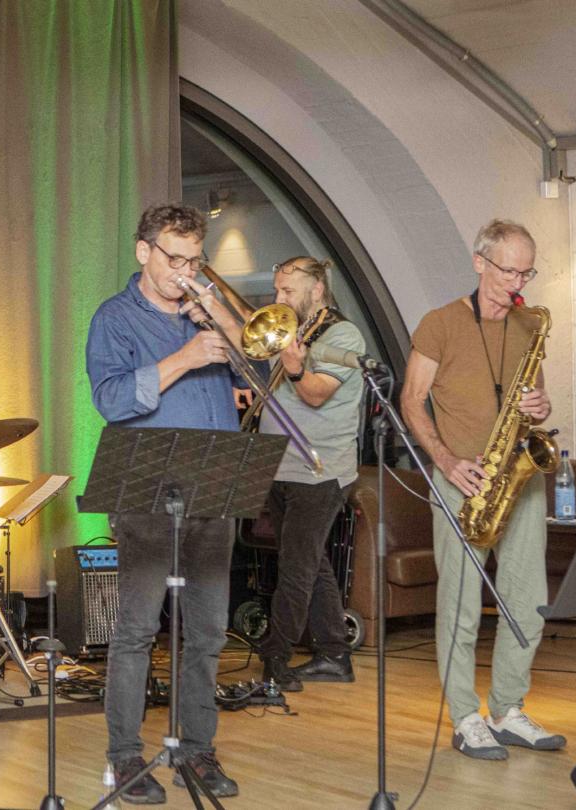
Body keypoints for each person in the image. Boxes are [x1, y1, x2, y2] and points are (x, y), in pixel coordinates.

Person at [86, 203, 241, 804]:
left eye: (195, 260)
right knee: (136, 631)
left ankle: (195, 749)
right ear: (143, 252)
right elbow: (113, 399)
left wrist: (221, 322)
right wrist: (187, 357)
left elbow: (263, 369)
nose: (185, 271)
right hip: (148, 494)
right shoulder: (115, 318)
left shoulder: (207, 314)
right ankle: (125, 757)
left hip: (216, 488)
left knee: (209, 633)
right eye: (175, 258)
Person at [400, 219, 566, 760]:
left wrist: (540, 406)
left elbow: (534, 402)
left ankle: (508, 709)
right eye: (508, 271)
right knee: (461, 605)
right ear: (479, 262)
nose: (517, 283)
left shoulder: (528, 324)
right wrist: (446, 461)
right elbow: (411, 401)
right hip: (463, 479)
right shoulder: (440, 323)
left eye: (526, 272)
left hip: (519, 478)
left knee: (528, 601)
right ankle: (466, 716)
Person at [257, 257, 364, 691]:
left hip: (319, 472)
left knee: (296, 570)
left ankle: (275, 661)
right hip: (281, 466)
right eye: (277, 289)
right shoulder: (291, 330)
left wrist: (296, 367)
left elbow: (317, 394)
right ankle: (335, 654)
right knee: (311, 564)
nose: (278, 298)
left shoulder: (342, 335)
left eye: (287, 290)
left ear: (316, 289)